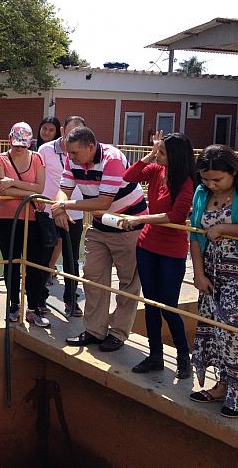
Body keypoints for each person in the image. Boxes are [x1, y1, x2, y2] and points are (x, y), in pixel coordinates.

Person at [52, 126, 146, 352]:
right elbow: (63, 189)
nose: (70, 157)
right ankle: (95, 330)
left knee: (128, 283)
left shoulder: (112, 159)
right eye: (69, 153)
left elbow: (103, 202)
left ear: (91, 147)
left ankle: (118, 332)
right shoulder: (72, 159)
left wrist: (65, 205)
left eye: (74, 153)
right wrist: (59, 208)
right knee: (93, 277)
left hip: (128, 225)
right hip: (100, 225)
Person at [188, 145, 238, 418]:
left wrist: (225, 229)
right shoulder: (202, 192)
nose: (210, 185)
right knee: (214, 329)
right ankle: (223, 385)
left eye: (217, 179)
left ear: (233, 171)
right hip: (213, 271)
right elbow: (195, 234)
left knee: (231, 327)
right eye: (205, 179)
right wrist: (198, 273)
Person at [120, 132, 196, 379]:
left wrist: (139, 219)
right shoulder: (155, 170)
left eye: (162, 152)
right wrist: (151, 154)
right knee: (151, 303)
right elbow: (128, 176)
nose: (158, 155)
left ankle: (184, 357)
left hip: (171, 252)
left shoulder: (186, 182)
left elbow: (176, 216)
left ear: (175, 156)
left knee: (168, 306)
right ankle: (155, 356)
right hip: (147, 246)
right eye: (158, 151)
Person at [0, 122, 52, 328]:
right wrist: (28, 189)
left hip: (33, 219)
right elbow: (3, 190)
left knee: (34, 264)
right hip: (6, 220)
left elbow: (40, 188)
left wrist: (14, 182)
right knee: (12, 263)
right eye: (16, 143)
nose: (19, 147)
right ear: (9, 139)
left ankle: (33, 308)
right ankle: (14, 304)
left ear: (29, 143)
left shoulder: (37, 158)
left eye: (23, 144)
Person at [37, 116, 86, 317]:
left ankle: (71, 300)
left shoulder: (86, 153)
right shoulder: (46, 150)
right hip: (48, 211)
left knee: (72, 258)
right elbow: (38, 178)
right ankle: (39, 299)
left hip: (74, 213)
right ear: (63, 130)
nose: (75, 136)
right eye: (72, 131)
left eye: (80, 132)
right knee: (42, 256)